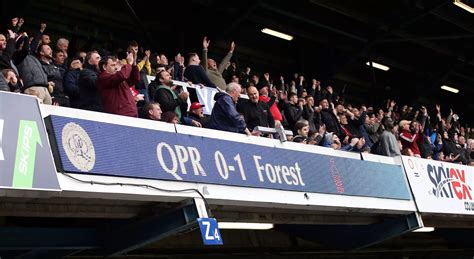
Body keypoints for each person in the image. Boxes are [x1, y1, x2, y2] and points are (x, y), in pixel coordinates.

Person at [96, 52, 140, 117]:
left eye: (116, 65)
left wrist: (134, 64)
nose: (116, 68)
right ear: (104, 67)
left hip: (131, 112)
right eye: (113, 65)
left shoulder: (117, 77)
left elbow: (135, 79)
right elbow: (123, 76)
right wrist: (129, 63)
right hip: (120, 115)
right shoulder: (103, 78)